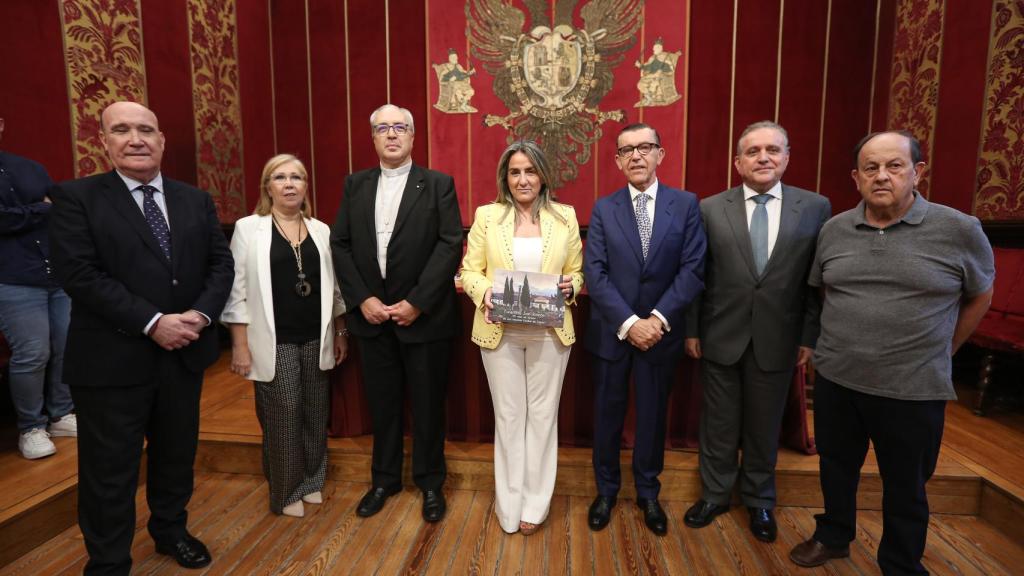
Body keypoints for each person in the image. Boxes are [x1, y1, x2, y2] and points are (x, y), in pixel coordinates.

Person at [788, 131, 993, 574]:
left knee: (906, 484)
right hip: (839, 379)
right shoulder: (834, 230)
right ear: (856, 177)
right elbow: (824, 291)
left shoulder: (959, 229)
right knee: (836, 467)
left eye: (894, 166)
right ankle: (833, 535)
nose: (882, 176)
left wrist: (945, 349)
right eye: (871, 168)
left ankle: (900, 562)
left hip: (913, 387)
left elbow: (980, 294)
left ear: (917, 172)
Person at [49, 101, 234, 574]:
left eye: (146, 130)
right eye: (122, 130)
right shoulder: (76, 198)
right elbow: (80, 274)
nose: (136, 139)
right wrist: (153, 322)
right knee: (109, 472)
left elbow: (220, 265)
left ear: (162, 140)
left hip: (183, 356)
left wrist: (200, 316)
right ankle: (109, 561)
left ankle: (171, 531)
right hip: (111, 362)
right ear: (103, 141)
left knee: (175, 457)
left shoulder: (195, 200)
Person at [683, 121, 831, 542]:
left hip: (780, 337)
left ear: (786, 157)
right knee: (719, 424)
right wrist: (692, 330)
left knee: (764, 426)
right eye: (753, 151)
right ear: (738, 162)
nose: (763, 157)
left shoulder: (815, 207)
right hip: (720, 334)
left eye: (772, 150)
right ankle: (714, 495)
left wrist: (808, 336)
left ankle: (759, 500)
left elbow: (815, 281)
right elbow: (697, 274)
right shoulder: (710, 208)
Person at [331, 104, 463, 523]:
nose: (391, 134)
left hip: (424, 318)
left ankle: (430, 482)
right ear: (373, 138)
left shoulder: (438, 184)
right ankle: (384, 480)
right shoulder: (355, 185)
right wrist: (362, 300)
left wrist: (417, 302)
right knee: (382, 405)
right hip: (372, 319)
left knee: (428, 407)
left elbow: (449, 243)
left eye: (399, 127)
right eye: (383, 128)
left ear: (412, 136)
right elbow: (340, 244)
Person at [584, 123, 706, 536]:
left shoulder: (686, 205)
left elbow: (693, 269)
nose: (636, 155)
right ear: (617, 160)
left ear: (660, 154)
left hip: (661, 334)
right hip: (613, 333)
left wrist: (657, 319)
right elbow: (595, 273)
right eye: (626, 150)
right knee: (607, 416)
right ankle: (606, 491)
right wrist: (630, 323)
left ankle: (648, 494)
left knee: (653, 417)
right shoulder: (604, 208)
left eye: (645, 147)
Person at [461, 140, 584, 535]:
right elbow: (469, 271)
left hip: (550, 333)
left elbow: (577, 271)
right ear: (505, 177)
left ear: (543, 175)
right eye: (515, 172)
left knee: (543, 418)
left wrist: (572, 285)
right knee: (510, 417)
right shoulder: (487, 216)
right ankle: (509, 503)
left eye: (530, 171)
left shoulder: (565, 216)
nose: (523, 179)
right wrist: (486, 294)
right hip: (500, 333)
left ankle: (535, 504)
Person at [221, 154, 347, 518]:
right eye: (280, 177)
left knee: (315, 411)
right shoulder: (249, 228)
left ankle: (311, 480)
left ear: (306, 186)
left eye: (297, 177)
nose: (289, 184)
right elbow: (236, 291)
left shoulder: (321, 230)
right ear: (268, 187)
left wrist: (341, 331)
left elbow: (334, 289)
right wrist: (239, 345)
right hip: (272, 339)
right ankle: (286, 489)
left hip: (317, 335)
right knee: (284, 413)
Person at [0, 116, 76, 459]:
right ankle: (31, 427)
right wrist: (40, 209)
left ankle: (61, 414)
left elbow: (60, 208)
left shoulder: (30, 167)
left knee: (67, 345)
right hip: (11, 278)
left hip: (55, 273)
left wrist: (27, 213)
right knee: (33, 353)